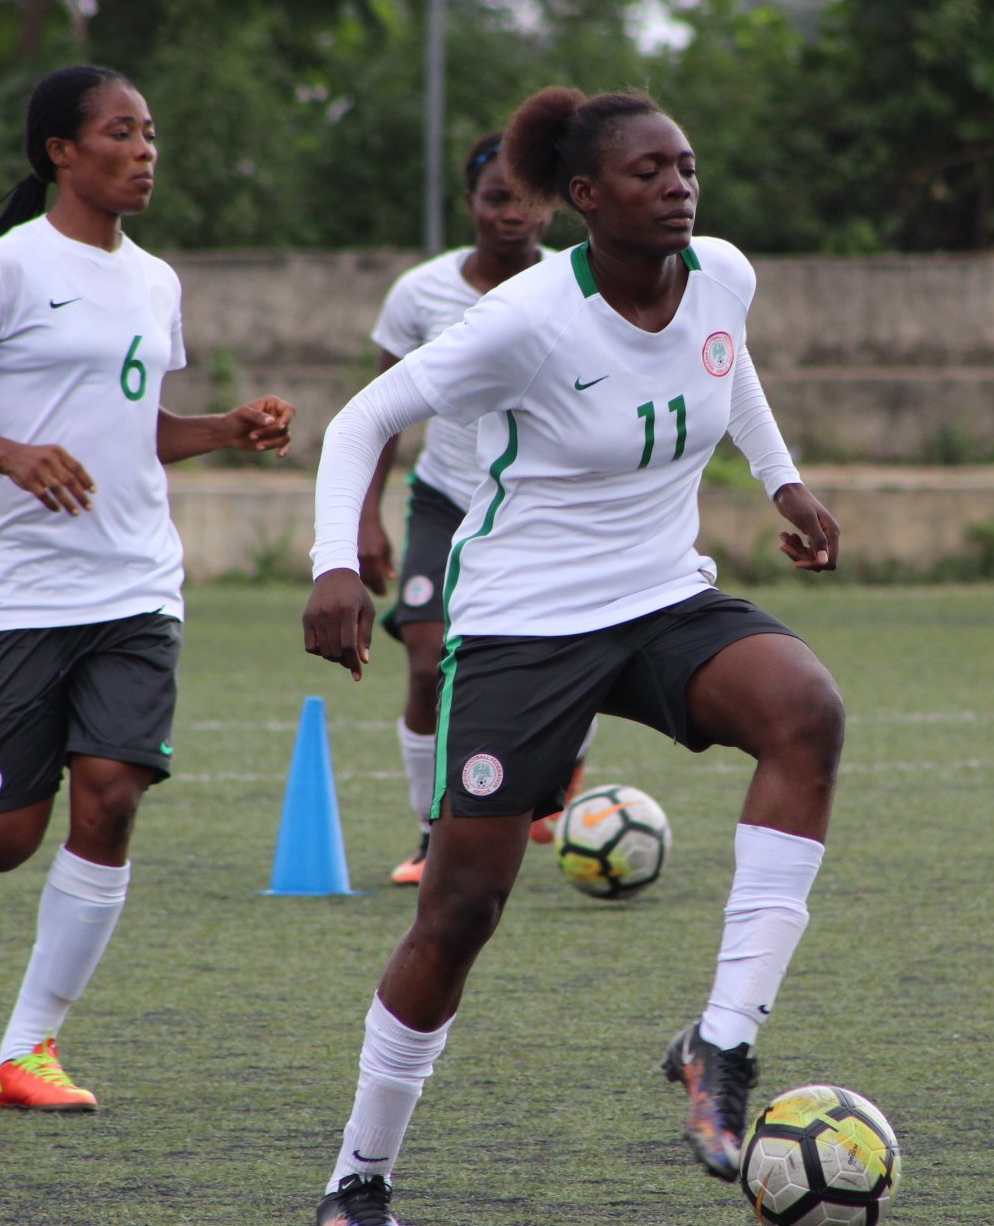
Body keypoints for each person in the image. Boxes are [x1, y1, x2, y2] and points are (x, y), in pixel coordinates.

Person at [302, 86, 845, 1226]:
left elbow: (726, 359)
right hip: (522, 624)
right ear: (586, 198)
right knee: (460, 912)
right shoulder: (530, 317)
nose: (678, 185)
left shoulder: (723, 273)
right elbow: (360, 420)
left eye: (686, 164)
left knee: (806, 709)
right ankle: (359, 1176)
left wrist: (781, 479)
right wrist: (333, 565)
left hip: (659, 598)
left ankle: (721, 1043)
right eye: (649, 171)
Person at [0, 64, 295, 1112]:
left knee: (113, 794)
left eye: (150, 134)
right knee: (0, 841)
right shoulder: (6, 269)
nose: (144, 151)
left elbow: (136, 427)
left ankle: (26, 1049)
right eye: (121, 133)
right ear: (61, 151)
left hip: (138, 586)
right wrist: (10, 454)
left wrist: (226, 429)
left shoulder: (156, 280)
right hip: (20, 600)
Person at [356, 132, 592, 886]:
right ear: (470, 204)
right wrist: (365, 520)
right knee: (428, 664)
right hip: (446, 500)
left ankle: (568, 766)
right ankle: (433, 834)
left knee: (572, 660)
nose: (513, 215)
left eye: (528, 201)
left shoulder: (580, 283)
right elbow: (382, 413)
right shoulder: (421, 293)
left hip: (539, 506)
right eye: (497, 198)